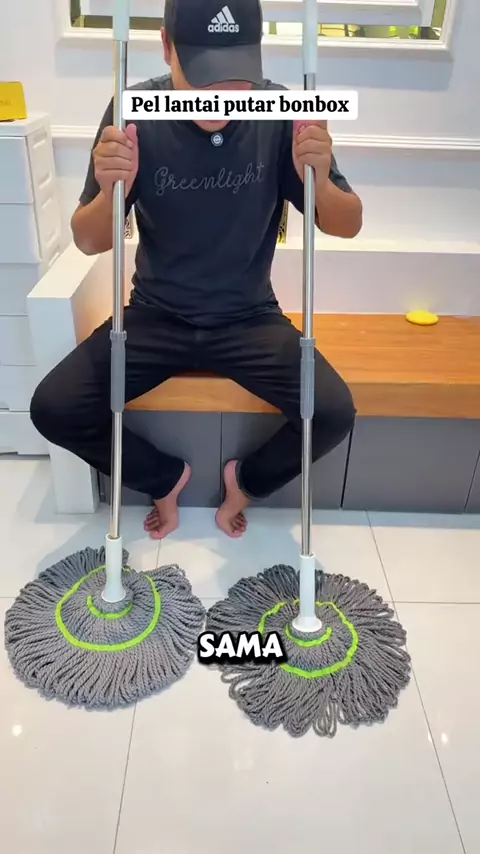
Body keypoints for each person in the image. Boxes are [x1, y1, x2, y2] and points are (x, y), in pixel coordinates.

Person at [30, 0, 362, 540]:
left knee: (333, 411)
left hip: (249, 319)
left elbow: (347, 224)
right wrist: (111, 190)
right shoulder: (133, 112)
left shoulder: (283, 114)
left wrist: (320, 180)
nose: (221, 97)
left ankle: (245, 483)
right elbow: (89, 239)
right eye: (205, 76)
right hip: (156, 316)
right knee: (53, 407)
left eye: (236, 77)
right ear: (167, 47)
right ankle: (163, 478)